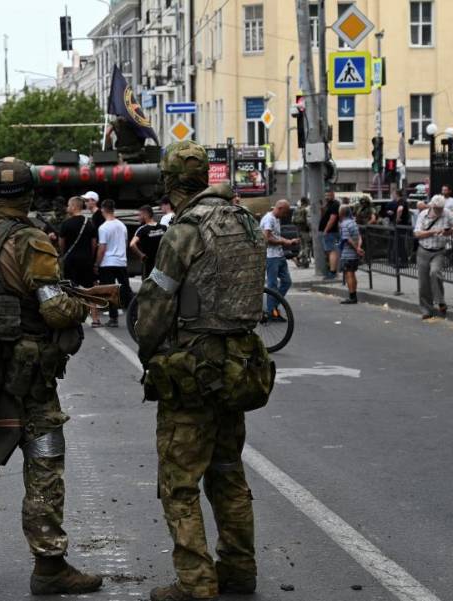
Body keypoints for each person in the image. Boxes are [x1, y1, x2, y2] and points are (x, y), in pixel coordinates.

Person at [0, 157, 102, 595]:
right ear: (29, 195)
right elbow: (52, 308)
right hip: (25, 378)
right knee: (44, 460)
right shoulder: (30, 240)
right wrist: (83, 305)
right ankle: (49, 567)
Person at [134, 141, 271, 601]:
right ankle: (239, 570)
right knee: (229, 471)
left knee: (180, 481)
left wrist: (148, 350)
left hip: (192, 369)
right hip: (239, 365)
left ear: (171, 185)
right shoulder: (245, 221)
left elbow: (157, 301)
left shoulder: (185, 229)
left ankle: (195, 582)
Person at [414, 196, 453, 319]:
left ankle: (440, 301)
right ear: (432, 206)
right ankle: (426, 309)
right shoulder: (423, 215)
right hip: (423, 250)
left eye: (441, 208)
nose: (439, 211)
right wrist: (432, 232)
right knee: (423, 283)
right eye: (437, 209)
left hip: (439, 251)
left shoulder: (447, 213)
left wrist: (450, 231)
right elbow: (417, 233)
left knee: (435, 272)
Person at [58, 196, 100, 326]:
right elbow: (94, 244)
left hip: (71, 261)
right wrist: (90, 258)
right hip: (86, 260)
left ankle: (72, 318)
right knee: (90, 290)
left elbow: (62, 244)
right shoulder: (89, 223)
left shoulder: (66, 224)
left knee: (70, 290)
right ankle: (95, 319)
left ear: (74, 207)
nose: (67, 208)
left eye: (69, 205)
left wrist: (64, 255)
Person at [95, 199, 132, 328]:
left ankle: (113, 318)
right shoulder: (122, 226)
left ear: (103, 210)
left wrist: (96, 264)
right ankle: (134, 312)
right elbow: (126, 244)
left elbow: (102, 248)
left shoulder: (103, 227)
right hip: (121, 262)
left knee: (110, 292)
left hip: (107, 263)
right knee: (125, 290)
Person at [261, 200, 299, 317]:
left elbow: (276, 236)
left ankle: (272, 306)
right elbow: (267, 238)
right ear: (280, 208)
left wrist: (288, 241)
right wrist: (284, 242)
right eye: (285, 212)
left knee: (287, 282)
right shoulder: (269, 219)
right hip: (271, 256)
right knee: (272, 284)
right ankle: (271, 311)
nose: (286, 215)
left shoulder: (276, 219)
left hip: (279, 255)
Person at [130, 204, 167, 279]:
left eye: (140, 215)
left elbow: (132, 244)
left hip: (149, 264)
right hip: (162, 263)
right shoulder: (164, 228)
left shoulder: (142, 229)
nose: (138, 218)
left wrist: (141, 255)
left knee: (147, 286)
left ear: (145, 215)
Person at [337, 204, 364, 305]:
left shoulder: (344, 224)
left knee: (349, 274)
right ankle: (354, 295)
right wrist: (359, 248)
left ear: (342, 213)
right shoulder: (353, 223)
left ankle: (352, 297)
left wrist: (356, 248)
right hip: (354, 254)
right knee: (352, 273)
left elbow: (347, 239)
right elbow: (359, 236)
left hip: (348, 254)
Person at [319, 190, 340, 279]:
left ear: (333, 195)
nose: (327, 197)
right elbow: (324, 216)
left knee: (331, 251)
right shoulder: (328, 205)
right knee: (329, 251)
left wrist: (326, 230)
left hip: (330, 232)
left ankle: (332, 272)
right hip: (328, 231)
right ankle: (331, 270)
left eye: (329, 195)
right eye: (326, 195)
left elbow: (333, 218)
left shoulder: (335, 204)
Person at [291, 196, 311, 266]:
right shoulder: (306, 209)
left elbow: (292, 220)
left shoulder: (296, 209)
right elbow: (308, 221)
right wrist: (311, 228)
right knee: (307, 246)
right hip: (305, 230)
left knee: (302, 246)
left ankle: (304, 261)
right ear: (306, 202)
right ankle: (298, 258)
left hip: (298, 229)